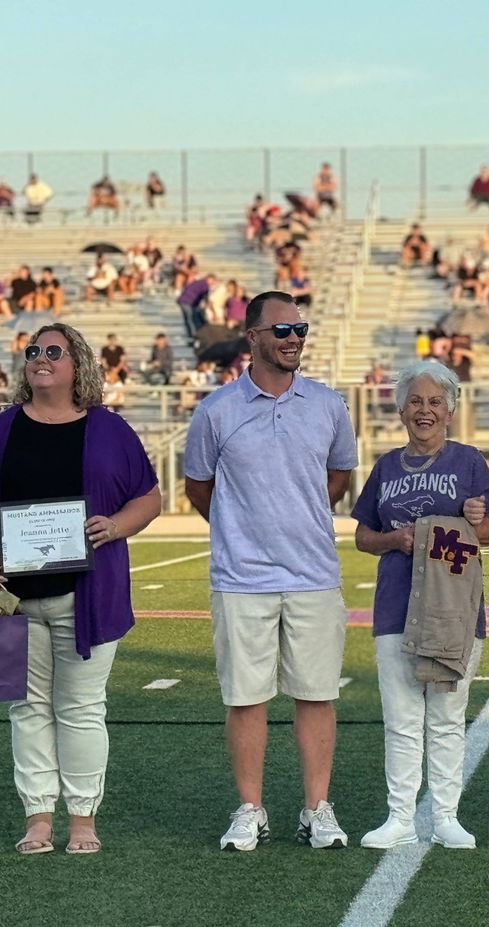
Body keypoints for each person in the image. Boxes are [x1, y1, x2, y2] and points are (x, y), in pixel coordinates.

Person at [0, 322, 161, 855]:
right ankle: (38, 818)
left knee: (82, 707)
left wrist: (115, 526)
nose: (41, 358)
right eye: (33, 351)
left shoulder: (110, 428)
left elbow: (149, 498)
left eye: (54, 351)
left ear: (78, 364)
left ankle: (83, 820)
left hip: (87, 596)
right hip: (15, 599)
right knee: (26, 708)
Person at [182, 291, 357, 852]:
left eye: (300, 330)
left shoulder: (329, 405)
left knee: (316, 694)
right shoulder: (215, 410)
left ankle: (316, 809)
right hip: (241, 577)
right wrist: (247, 526)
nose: (293, 339)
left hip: (312, 572)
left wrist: (290, 514)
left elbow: (338, 477)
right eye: (282, 329)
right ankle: (250, 809)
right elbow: (199, 488)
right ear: (252, 335)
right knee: (245, 697)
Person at [352, 361, 489, 849]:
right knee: (401, 718)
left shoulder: (468, 462)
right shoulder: (384, 467)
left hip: (452, 609)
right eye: (415, 401)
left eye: (434, 402)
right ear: (400, 410)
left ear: (450, 410)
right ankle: (400, 817)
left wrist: (466, 522)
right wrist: (395, 540)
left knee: (445, 716)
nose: (425, 411)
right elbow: (362, 535)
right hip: (396, 605)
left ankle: (445, 816)